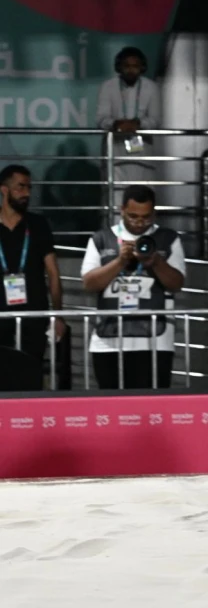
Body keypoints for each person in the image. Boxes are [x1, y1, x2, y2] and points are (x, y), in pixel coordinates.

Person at [80, 185, 186, 389]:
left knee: (153, 406)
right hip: (108, 340)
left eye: (146, 217)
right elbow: (89, 283)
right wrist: (119, 261)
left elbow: (177, 283)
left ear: (154, 213)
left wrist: (155, 262)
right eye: (133, 216)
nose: (139, 223)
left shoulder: (168, 239)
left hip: (156, 340)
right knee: (111, 406)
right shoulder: (101, 239)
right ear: (122, 210)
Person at [0, 165, 66, 378]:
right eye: (20, 187)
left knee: (30, 376)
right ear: (4, 190)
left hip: (34, 317)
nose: (26, 193)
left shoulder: (38, 224)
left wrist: (57, 315)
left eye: (29, 187)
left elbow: (53, 273)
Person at [96, 46, 162, 203]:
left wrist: (137, 124)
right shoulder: (108, 86)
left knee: (143, 197)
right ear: (119, 67)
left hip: (143, 154)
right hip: (115, 152)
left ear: (142, 67)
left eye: (135, 66)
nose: (131, 70)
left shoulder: (151, 87)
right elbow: (100, 119)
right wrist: (117, 124)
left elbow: (155, 120)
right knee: (115, 199)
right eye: (127, 66)